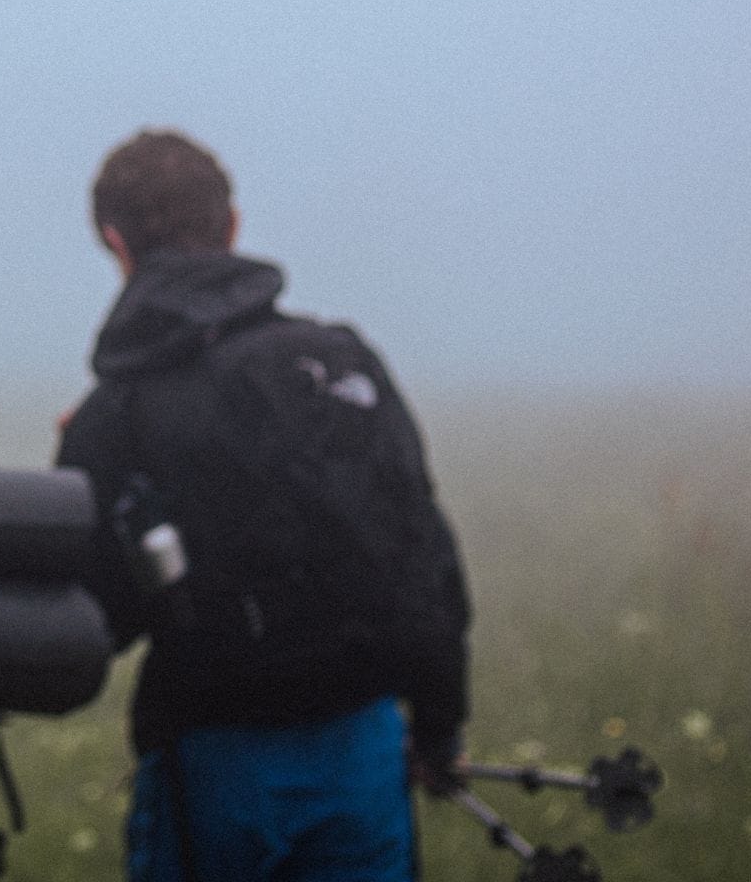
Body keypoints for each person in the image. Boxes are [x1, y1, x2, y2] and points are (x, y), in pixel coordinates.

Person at [55, 130, 472, 882]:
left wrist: (83, 480)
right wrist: (438, 730)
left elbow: (102, 618)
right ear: (233, 225)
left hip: (210, 758)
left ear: (115, 244)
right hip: (365, 747)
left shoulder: (114, 412)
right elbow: (423, 550)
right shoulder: (340, 362)